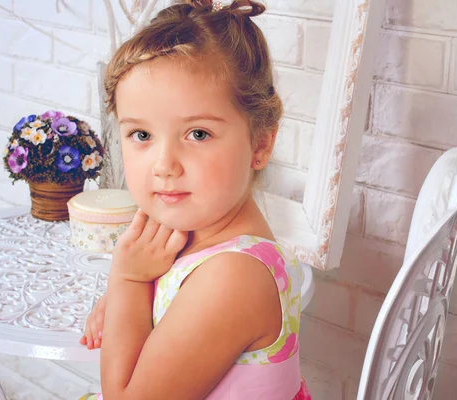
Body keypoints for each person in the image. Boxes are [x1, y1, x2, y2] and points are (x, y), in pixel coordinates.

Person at [79, 0, 311, 398]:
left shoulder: (232, 277)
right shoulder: (192, 231)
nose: (164, 165)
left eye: (198, 134)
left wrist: (127, 279)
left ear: (260, 142)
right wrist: (127, 302)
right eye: (141, 135)